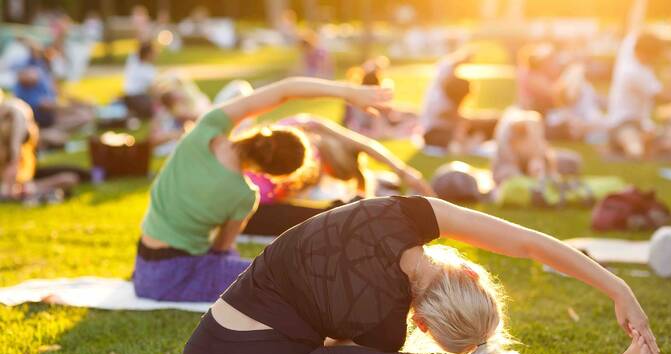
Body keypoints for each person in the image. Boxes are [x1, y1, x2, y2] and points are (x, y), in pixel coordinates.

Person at [181, 195, 659, 354]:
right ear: (422, 322)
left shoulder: (405, 212)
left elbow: (527, 243)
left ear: (470, 272)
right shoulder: (385, 327)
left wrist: (619, 288)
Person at [132, 77, 392, 302]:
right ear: (270, 173)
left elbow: (285, 90)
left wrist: (348, 92)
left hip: (143, 262)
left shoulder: (207, 127)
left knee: (262, 269)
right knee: (279, 277)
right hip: (173, 276)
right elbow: (222, 249)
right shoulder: (244, 196)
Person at [242, 114, 434, 236]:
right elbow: (364, 144)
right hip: (244, 209)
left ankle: (364, 212)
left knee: (332, 214)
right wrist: (403, 172)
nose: (327, 174)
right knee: (327, 217)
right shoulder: (304, 130)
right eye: (333, 172)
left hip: (255, 209)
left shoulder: (304, 134)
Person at [606, 0, 671, 159]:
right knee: (636, 150)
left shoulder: (629, 48)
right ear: (646, 54)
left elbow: (635, 23)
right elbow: (664, 97)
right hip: (623, 125)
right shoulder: (633, 72)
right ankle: (649, 143)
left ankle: (652, 141)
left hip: (642, 124)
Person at [0, 92, 82, 202]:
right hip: (20, 180)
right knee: (69, 178)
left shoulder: (15, 113)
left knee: (70, 178)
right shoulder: (14, 116)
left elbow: (16, 153)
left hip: (23, 178)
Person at [420, 49, 499, 153]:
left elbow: (446, 64)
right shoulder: (440, 103)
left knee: (494, 121)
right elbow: (459, 124)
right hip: (435, 131)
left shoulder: (443, 76)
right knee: (453, 140)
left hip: (453, 128)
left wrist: (464, 58)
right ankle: (467, 143)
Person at [491, 108, 581, 185]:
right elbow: (504, 177)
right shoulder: (507, 149)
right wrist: (530, 176)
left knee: (572, 161)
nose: (537, 145)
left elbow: (546, 154)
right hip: (516, 167)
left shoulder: (533, 122)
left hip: (532, 163)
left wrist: (546, 168)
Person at [123, 42, 158, 119]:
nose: (155, 55)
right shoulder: (148, 69)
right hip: (139, 99)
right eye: (153, 53)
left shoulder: (132, 61)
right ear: (148, 54)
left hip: (127, 98)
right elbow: (153, 90)